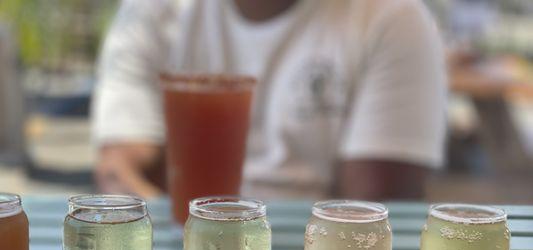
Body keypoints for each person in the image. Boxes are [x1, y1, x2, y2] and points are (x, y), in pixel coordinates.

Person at [92, 0, 446, 200]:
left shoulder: (394, 19)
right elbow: (117, 170)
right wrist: (199, 240)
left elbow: (372, 212)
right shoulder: (150, 15)